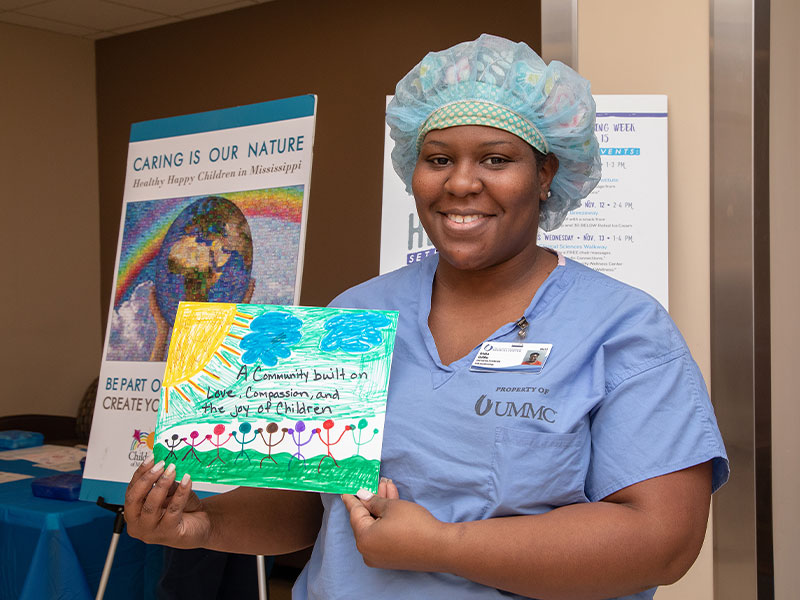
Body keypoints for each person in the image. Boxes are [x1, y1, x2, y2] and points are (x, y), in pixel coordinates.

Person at [124, 34, 728, 600]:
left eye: (496, 159)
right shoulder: (357, 313)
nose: (462, 183)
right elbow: (310, 508)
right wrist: (204, 525)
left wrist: (445, 546)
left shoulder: (622, 329)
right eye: (439, 159)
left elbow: (664, 542)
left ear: (546, 175)